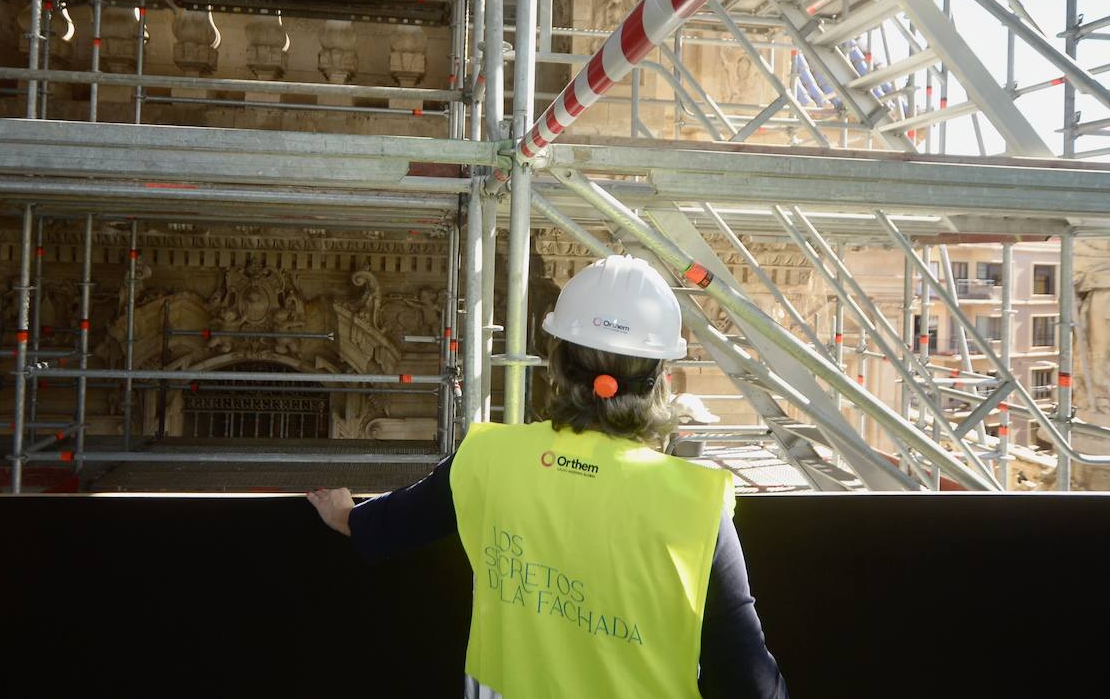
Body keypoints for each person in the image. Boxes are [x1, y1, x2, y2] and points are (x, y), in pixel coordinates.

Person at [308, 254, 787, 698]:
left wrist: (345, 512)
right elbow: (751, 680)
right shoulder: (698, 506)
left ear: (557, 364)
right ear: (659, 379)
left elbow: (387, 523)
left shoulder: (487, 458)